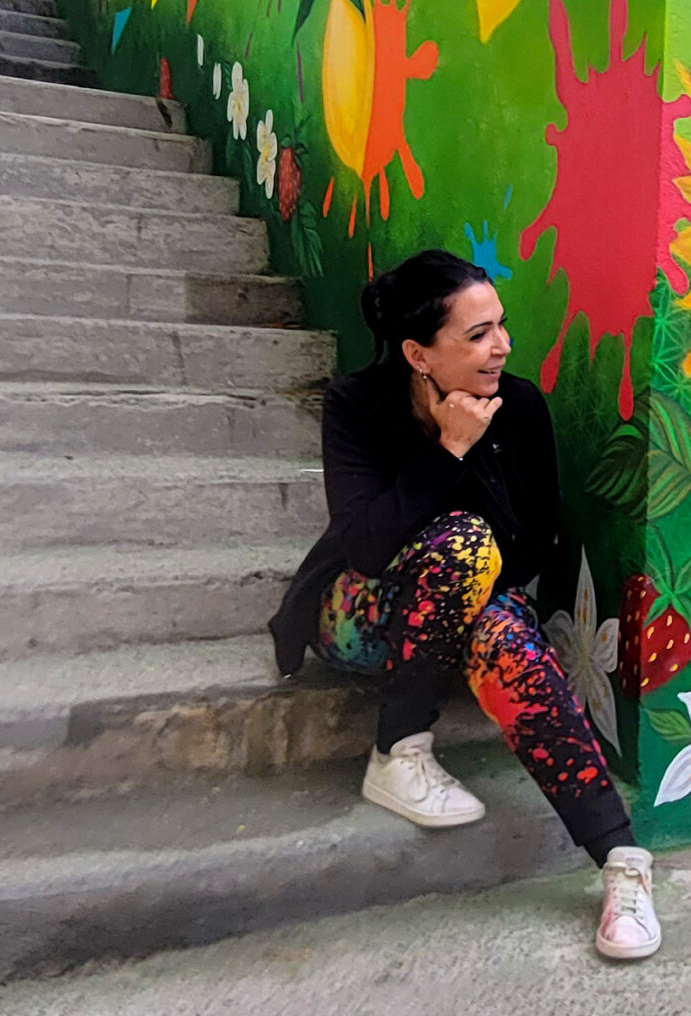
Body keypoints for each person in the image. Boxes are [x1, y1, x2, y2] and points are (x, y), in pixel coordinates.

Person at [269, 248, 660, 960]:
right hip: (359, 617)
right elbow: (365, 546)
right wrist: (448, 449)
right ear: (418, 353)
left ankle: (620, 862)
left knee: (500, 622)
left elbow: (532, 547)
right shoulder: (357, 404)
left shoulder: (521, 407)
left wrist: (474, 466)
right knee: (465, 545)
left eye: (500, 326)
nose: (502, 345)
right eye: (478, 334)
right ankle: (399, 747)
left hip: (466, 607)